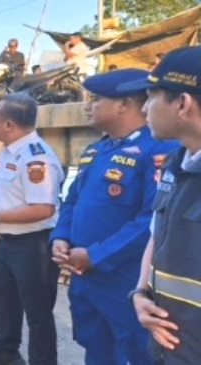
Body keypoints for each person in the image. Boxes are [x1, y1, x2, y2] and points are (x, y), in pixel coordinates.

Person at [50, 69, 179, 365]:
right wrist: (61, 237)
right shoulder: (96, 149)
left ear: (123, 105)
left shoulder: (160, 149)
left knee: (135, 351)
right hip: (86, 278)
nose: (87, 105)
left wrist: (96, 255)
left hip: (125, 280)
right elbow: (72, 200)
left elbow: (153, 220)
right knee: (95, 348)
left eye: (95, 99)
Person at [0, 93, 64, 365]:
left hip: (33, 246)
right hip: (7, 243)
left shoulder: (37, 158)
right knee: (5, 302)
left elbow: (44, 209)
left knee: (38, 314)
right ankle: (5, 354)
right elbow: (11, 190)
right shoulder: (9, 151)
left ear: (8, 124)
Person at [119, 46, 201, 365]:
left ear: (182, 103)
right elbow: (157, 233)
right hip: (168, 347)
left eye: (151, 98)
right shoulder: (174, 164)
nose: (144, 110)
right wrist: (140, 293)